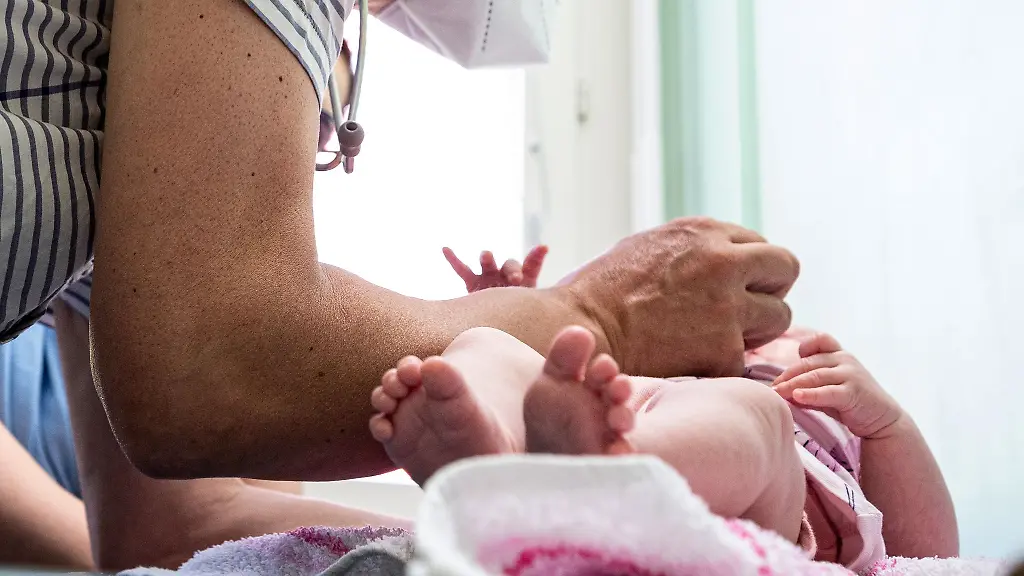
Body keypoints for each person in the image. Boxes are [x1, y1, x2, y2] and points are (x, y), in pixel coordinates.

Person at [2, 0, 796, 522]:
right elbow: (205, 370)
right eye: (322, 75)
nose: (314, 133)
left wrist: (482, 524)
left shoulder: (140, 192)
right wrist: (601, 316)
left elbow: (172, 530)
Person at [366, 250, 958, 570]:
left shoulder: (794, 379)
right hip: (630, 411)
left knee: (757, 414)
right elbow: (579, 365)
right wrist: (512, 310)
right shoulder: (643, 363)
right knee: (484, 346)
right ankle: (494, 450)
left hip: (766, 498)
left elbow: (932, 558)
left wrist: (888, 425)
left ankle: (615, 471)